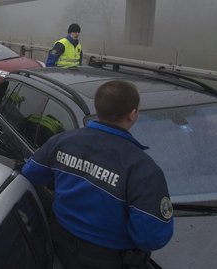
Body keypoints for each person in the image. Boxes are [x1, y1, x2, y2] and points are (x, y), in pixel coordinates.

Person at [21, 80, 173, 269]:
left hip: (59, 246)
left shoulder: (62, 141)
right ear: (133, 114)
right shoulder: (142, 168)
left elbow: (30, 174)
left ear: (98, 108)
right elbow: (152, 237)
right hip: (108, 260)